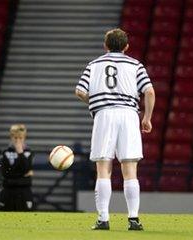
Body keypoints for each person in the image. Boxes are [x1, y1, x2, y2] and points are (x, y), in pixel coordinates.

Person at [75, 28, 155, 231]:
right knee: (130, 170)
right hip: (129, 115)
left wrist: (94, 101)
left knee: (103, 169)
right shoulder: (136, 64)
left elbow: (79, 90)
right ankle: (134, 219)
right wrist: (147, 118)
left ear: (105, 45)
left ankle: (103, 219)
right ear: (126, 47)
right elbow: (149, 91)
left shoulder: (94, 65)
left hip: (104, 115)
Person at [0, 124, 34, 211]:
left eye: (20, 138)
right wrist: (22, 175)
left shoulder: (28, 152)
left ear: (24, 138)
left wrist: (20, 153)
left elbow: (26, 168)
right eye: (15, 138)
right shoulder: (6, 152)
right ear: (11, 138)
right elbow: (6, 173)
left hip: (24, 192)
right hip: (8, 191)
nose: (18, 141)